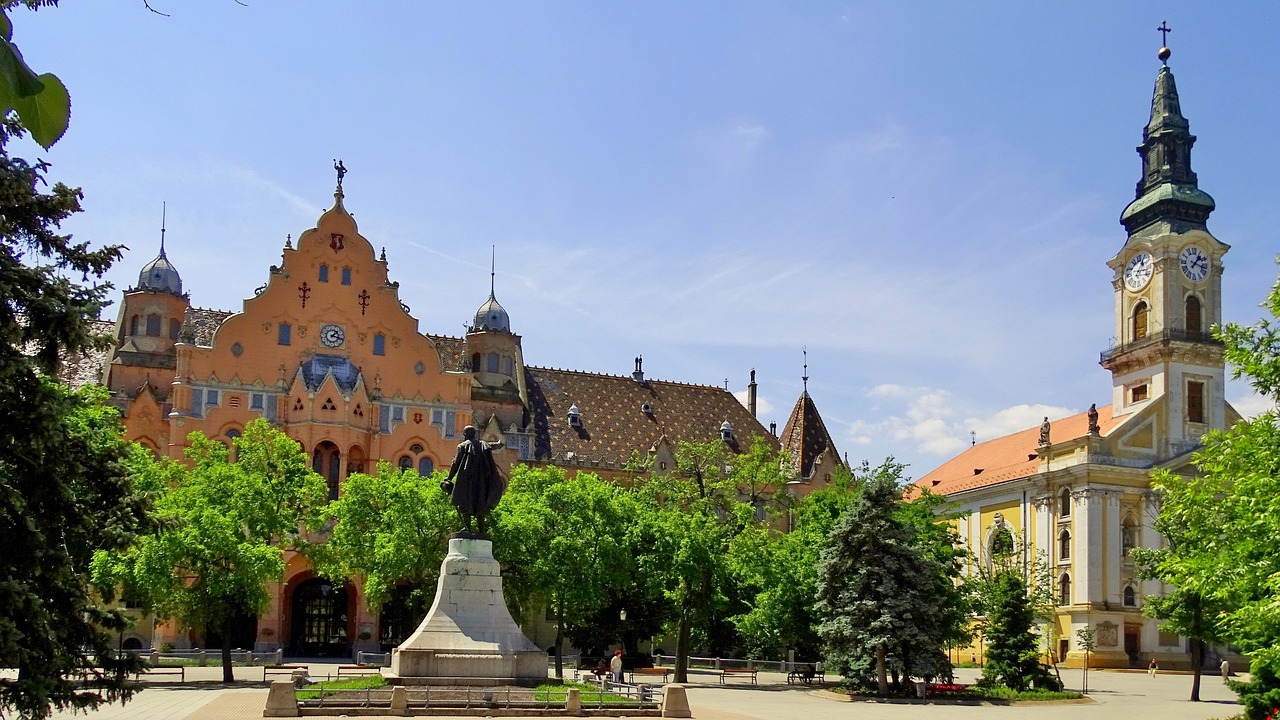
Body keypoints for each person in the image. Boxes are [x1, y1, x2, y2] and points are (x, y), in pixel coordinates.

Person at [440, 426, 504, 536]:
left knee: (464, 502)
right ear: (474, 434)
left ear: (465, 434)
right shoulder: (483, 445)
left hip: (466, 481)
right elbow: (494, 445)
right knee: (481, 502)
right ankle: (481, 530)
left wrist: (449, 478)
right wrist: (499, 443)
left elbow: (455, 463)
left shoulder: (462, 446)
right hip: (482, 482)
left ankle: (467, 528)